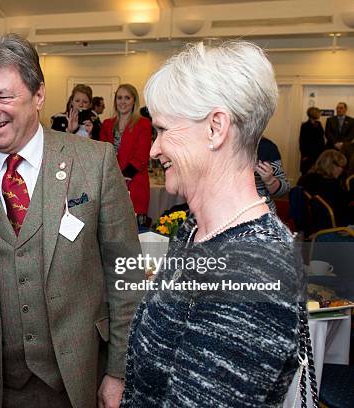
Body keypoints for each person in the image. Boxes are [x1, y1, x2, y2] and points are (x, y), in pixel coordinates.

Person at [0, 33, 144, 408]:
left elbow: (124, 272)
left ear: (39, 95)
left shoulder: (94, 164)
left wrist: (118, 372)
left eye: (3, 96)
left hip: (77, 380)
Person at [121, 41, 304, 407]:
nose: (155, 149)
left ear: (216, 128)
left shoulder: (255, 269)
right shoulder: (195, 229)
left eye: (163, 129)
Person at [99, 84, 152, 224]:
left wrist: (121, 179)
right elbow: (102, 155)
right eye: (119, 98)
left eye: (127, 98)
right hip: (110, 185)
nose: (122, 102)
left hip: (134, 184)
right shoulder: (107, 124)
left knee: (134, 232)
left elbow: (141, 157)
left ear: (134, 101)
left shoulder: (143, 124)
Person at [298, 149, 350, 225]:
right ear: (332, 165)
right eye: (341, 166)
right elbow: (342, 203)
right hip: (331, 222)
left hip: (314, 221)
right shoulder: (330, 183)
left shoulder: (305, 178)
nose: (342, 170)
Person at [254, 136, 290, 212]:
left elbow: (283, 191)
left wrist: (269, 180)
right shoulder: (223, 144)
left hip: (262, 213)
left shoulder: (266, 146)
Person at [299, 106, 325, 175]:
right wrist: (304, 155)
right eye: (318, 113)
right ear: (313, 113)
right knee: (306, 173)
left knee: (317, 173)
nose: (320, 114)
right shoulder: (305, 125)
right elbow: (302, 141)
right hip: (308, 155)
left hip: (318, 154)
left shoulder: (318, 124)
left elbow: (322, 137)